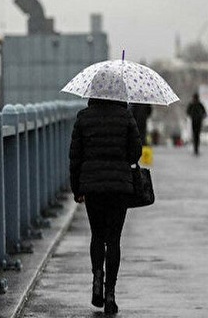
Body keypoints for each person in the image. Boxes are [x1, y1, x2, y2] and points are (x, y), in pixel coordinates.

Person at [69, 98, 142, 314]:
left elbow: (75, 157)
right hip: (119, 186)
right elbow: (135, 152)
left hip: (92, 187)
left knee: (97, 236)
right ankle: (110, 294)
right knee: (114, 239)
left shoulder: (83, 117)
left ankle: (96, 280)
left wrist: (77, 189)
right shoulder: (126, 116)